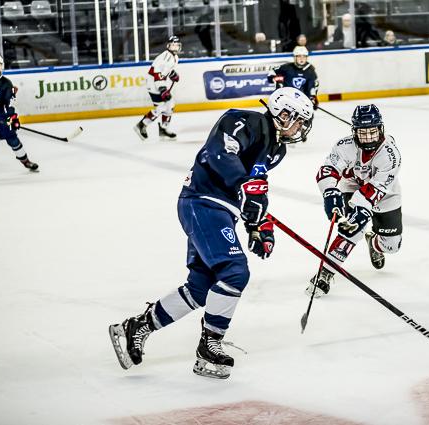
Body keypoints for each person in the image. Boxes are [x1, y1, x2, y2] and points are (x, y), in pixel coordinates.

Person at [109, 87, 315, 380]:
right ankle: (210, 345)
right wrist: (244, 187)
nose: (301, 128)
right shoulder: (245, 121)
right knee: (234, 272)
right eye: (299, 120)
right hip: (202, 201)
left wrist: (258, 225)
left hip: (221, 211)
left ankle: (137, 327)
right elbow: (219, 153)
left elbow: (255, 188)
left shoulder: (277, 149)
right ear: (283, 114)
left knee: (200, 287)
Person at [306, 104, 402, 298]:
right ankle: (326, 272)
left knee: (392, 246)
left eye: (372, 132)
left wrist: (362, 209)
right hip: (352, 186)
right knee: (352, 229)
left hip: (385, 193)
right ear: (354, 131)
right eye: (362, 133)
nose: (368, 138)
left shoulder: (390, 155)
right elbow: (327, 170)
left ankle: (374, 243)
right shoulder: (344, 146)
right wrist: (330, 191)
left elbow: (377, 188)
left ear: (380, 129)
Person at [134, 36, 181, 141]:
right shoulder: (165, 57)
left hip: (159, 83)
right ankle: (141, 125)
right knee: (161, 107)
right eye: (173, 45)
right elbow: (157, 74)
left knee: (170, 104)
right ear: (168, 46)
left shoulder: (174, 57)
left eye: (177, 45)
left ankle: (163, 129)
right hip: (153, 84)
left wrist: (172, 74)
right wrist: (162, 89)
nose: (175, 47)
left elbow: (166, 70)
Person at [267, 46, 319, 111]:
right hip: (285, 99)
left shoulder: (310, 70)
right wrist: (274, 78)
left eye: (304, 56)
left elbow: (312, 87)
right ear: (295, 57)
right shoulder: (287, 67)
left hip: (301, 102)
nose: (302, 59)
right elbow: (272, 72)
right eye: (299, 56)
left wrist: (312, 98)